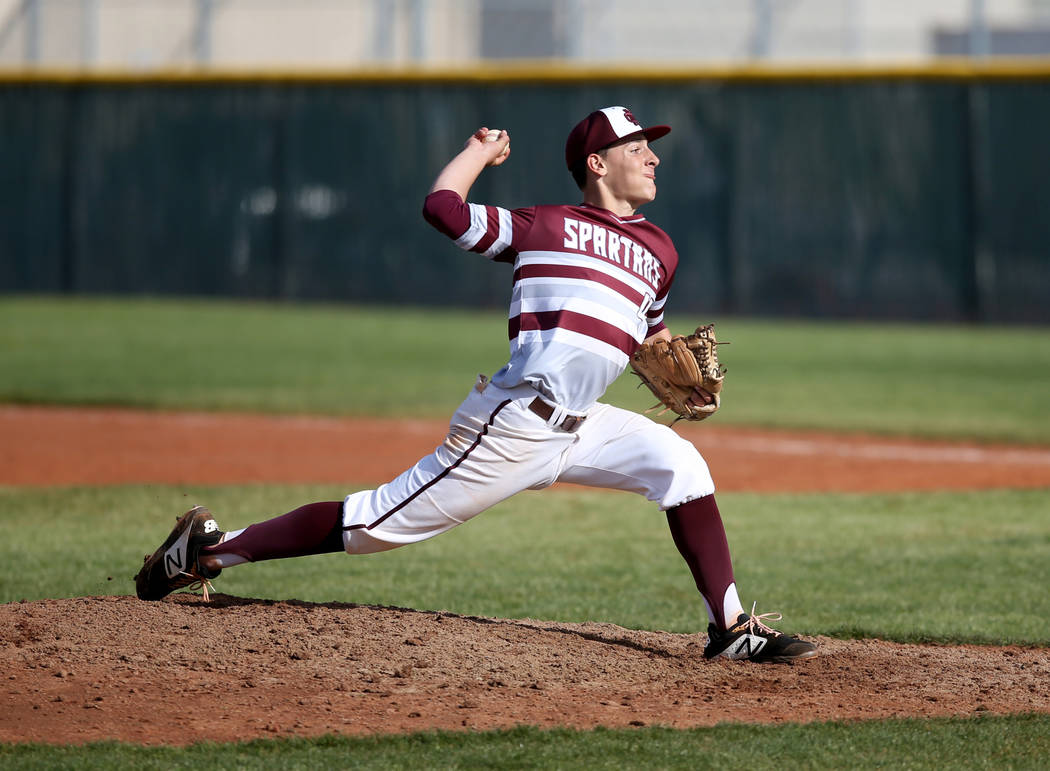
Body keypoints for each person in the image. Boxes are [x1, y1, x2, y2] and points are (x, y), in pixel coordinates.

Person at [135, 106, 817, 664]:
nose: (654, 156)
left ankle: (729, 629)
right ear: (597, 163)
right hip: (516, 423)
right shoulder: (542, 226)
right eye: (637, 146)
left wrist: (676, 368)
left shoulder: (659, 251)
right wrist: (478, 152)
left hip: (585, 423)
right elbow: (442, 208)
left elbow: (651, 338)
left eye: (652, 146)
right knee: (374, 524)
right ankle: (207, 551)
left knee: (681, 465)